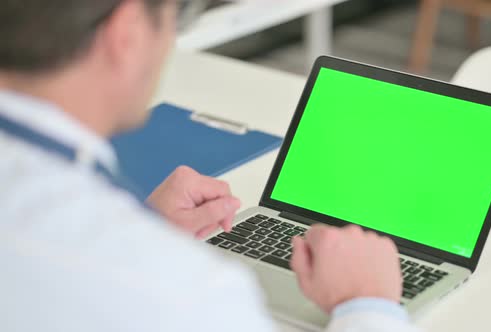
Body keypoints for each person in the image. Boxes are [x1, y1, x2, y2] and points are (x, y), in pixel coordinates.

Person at [0, 1, 419, 331]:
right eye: (174, 17)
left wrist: (144, 226)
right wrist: (368, 306)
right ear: (126, 34)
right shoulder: (186, 293)